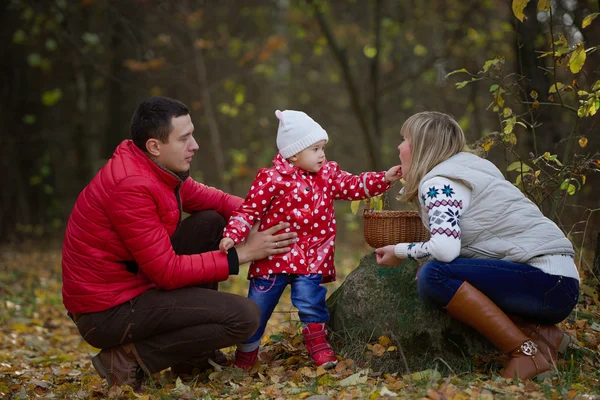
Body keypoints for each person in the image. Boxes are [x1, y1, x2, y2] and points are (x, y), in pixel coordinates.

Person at [61, 96, 299, 389]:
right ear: (154, 146)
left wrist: (262, 218)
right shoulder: (131, 186)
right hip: (106, 311)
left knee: (211, 220)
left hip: (134, 284)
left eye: (192, 134)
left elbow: (220, 201)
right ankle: (126, 360)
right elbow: (167, 272)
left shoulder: (158, 170)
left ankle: (192, 357)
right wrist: (243, 253)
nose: (194, 145)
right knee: (245, 317)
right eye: (184, 138)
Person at [375, 111, 579, 380]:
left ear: (420, 146)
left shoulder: (439, 183)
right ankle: (546, 335)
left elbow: (445, 249)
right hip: (559, 282)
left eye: (404, 139)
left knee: (433, 276)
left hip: (546, 281)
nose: (399, 147)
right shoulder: (471, 170)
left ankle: (524, 353)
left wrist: (401, 251)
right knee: (441, 271)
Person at [219, 110, 402, 370]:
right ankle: (246, 356)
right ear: (293, 154)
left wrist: (383, 178)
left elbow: (352, 185)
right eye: (315, 149)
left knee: (311, 301)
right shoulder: (271, 179)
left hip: (311, 257)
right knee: (257, 309)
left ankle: (318, 346)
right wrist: (232, 235)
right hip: (273, 259)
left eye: (323, 148)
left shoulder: (328, 175)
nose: (322, 155)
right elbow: (249, 211)